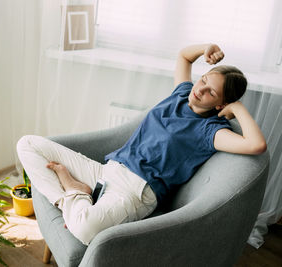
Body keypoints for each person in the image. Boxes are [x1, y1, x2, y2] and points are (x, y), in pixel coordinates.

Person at [16, 43, 267, 245]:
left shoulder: (209, 131)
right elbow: (183, 56)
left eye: (211, 92)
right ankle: (72, 197)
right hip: (108, 170)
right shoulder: (181, 94)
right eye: (204, 80)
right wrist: (206, 48)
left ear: (220, 104)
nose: (200, 90)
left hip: (135, 193)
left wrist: (238, 107)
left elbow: (256, 145)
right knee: (27, 144)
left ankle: (76, 191)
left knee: (82, 230)